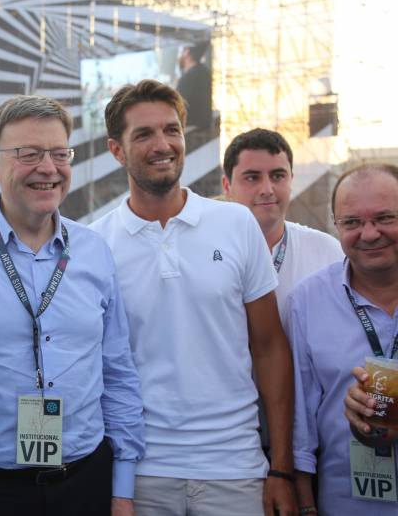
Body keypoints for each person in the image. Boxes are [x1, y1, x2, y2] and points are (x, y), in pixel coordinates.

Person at [0, 95, 144, 516]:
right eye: (29, 154)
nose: (48, 168)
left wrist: (122, 487)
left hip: (83, 484)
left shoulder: (93, 250)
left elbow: (118, 372)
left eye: (59, 154)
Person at [91, 80, 297, 516]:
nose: (162, 144)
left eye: (171, 130)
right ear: (116, 150)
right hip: (139, 476)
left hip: (235, 469)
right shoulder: (95, 244)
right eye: (143, 134)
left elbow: (270, 348)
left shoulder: (236, 224)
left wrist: (281, 469)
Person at [288, 163, 398, 514]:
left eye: (384, 218)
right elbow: (301, 419)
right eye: (351, 222)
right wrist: (306, 505)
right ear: (336, 224)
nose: (369, 234)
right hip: (348, 503)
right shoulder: (307, 300)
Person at [223, 128, 343, 321]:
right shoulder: (204, 252)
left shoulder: (327, 253)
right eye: (252, 177)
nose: (267, 189)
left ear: (291, 181)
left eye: (277, 176)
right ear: (227, 186)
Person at [176, 42, 212, 130]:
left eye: (181, 51)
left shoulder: (188, 78)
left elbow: (177, 106)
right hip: (203, 126)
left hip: (191, 128)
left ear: (187, 52)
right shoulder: (205, 72)